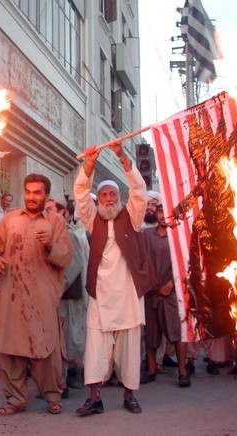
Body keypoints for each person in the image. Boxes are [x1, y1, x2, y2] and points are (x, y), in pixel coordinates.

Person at [73, 142, 156, 416]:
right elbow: (80, 193)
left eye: (112, 194)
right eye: (104, 194)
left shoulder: (132, 217)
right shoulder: (92, 219)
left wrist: (122, 157)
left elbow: (140, 191)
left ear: (119, 198)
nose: (108, 199)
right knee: (96, 349)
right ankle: (95, 397)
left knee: (130, 349)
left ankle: (129, 396)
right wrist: (89, 164)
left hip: (129, 296)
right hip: (100, 296)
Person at [0, 173, 72, 416]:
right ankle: (15, 399)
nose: (32, 197)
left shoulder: (55, 222)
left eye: (38, 192)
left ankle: (53, 396)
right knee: (10, 349)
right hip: (11, 294)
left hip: (42, 296)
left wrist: (49, 246)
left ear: (46, 195)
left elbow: (65, 257)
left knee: (45, 349)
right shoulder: (10, 219)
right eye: (29, 192)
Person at [142, 204, 190, 387]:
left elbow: (187, 263)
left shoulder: (179, 236)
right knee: (151, 332)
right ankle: (152, 368)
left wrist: (171, 284)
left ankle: (182, 371)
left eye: (167, 212)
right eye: (161, 211)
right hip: (151, 291)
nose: (163, 216)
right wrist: (151, 283)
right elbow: (141, 261)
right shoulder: (146, 235)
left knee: (176, 331)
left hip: (172, 291)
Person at [45, 197, 87, 395]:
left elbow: (75, 265)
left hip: (67, 296)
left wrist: (57, 288)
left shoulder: (68, 235)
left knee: (69, 339)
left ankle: (69, 375)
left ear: (61, 213)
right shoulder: (46, 235)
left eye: (50, 209)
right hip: (52, 296)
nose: (45, 214)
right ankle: (57, 381)